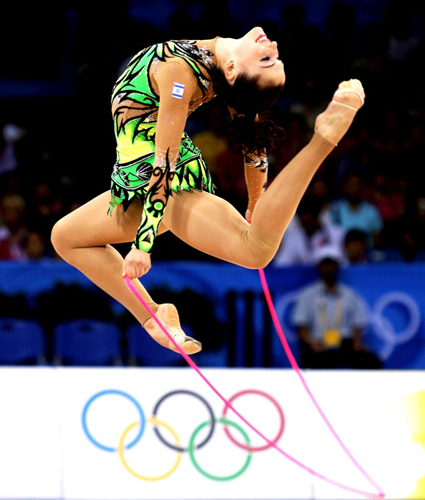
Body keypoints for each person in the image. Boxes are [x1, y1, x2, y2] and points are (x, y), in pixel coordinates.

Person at [51, 27, 365, 357]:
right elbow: (250, 144)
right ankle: (153, 315)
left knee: (256, 251)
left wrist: (144, 244)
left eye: (267, 59)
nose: (273, 46)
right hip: (137, 181)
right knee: (66, 236)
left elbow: (170, 161)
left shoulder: (184, 72)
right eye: (275, 59)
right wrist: (254, 205)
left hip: (167, 183)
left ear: (232, 70)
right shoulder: (210, 70)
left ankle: (322, 141)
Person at [292, 246, 381, 369]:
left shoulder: (349, 295)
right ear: (319, 267)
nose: (329, 268)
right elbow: (301, 326)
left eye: (332, 264)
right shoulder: (308, 295)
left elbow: (358, 323)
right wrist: (312, 344)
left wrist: (356, 343)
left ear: (337, 266)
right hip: (318, 344)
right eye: (325, 264)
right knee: (312, 359)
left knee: (372, 361)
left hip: (344, 344)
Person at [272, 193, 345, 266]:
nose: (307, 225)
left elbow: (346, 263)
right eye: (303, 222)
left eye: (310, 222)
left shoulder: (337, 233)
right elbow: (281, 265)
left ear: (318, 216)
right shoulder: (293, 238)